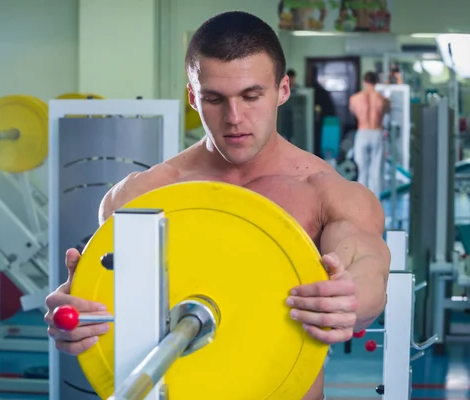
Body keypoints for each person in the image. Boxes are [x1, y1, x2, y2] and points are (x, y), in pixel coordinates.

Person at [45, 11, 390, 400]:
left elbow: (369, 269)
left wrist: (347, 299)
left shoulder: (324, 192)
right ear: (193, 97)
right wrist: (75, 313)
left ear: (283, 90)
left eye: (251, 95)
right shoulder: (145, 195)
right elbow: (94, 290)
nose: (235, 118)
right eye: (214, 99)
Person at [350, 71, 390, 197]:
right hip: (376, 132)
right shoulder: (382, 100)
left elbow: (353, 113)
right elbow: (386, 112)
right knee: (376, 170)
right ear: (376, 82)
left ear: (364, 82)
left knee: (361, 169)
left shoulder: (354, 99)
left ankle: (362, 200)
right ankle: (376, 201)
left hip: (362, 132)